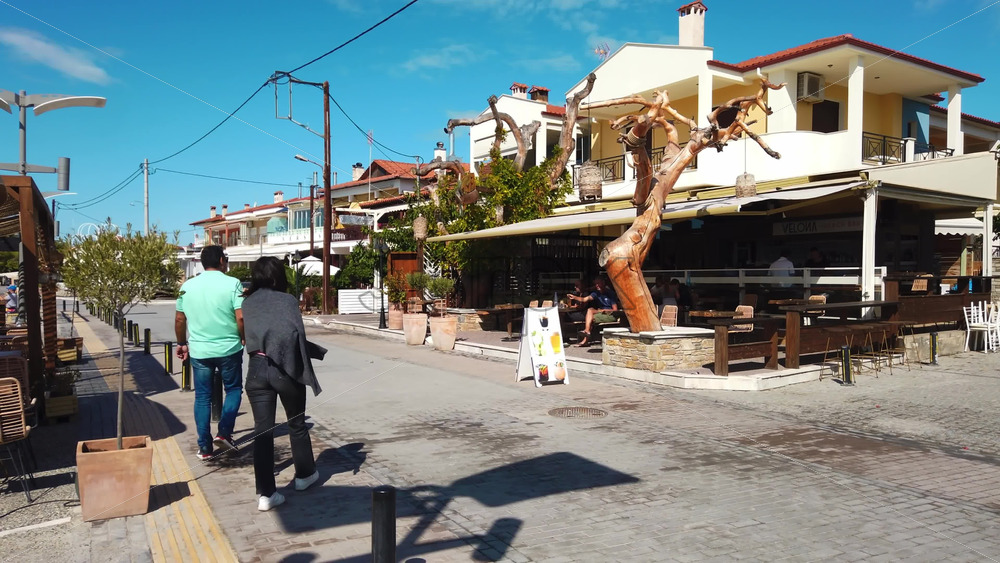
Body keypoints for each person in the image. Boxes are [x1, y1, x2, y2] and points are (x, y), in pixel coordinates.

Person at [241, 256, 327, 511]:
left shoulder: (247, 302)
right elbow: (295, 335)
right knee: (296, 423)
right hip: (285, 369)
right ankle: (304, 476)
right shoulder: (287, 300)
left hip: (256, 369)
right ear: (278, 276)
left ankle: (266, 494)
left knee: (262, 432)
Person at [175, 246, 245, 461]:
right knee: (233, 389)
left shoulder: (187, 286)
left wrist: (181, 343)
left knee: (202, 397)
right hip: (229, 348)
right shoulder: (233, 283)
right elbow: (240, 317)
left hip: (200, 351)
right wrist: (244, 337)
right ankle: (224, 433)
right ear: (222, 261)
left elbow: (179, 319)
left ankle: (205, 447)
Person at [567, 276, 619, 346]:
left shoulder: (610, 293)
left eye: (598, 283)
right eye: (595, 284)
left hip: (610, 314)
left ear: (603, 283)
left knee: (590, 318)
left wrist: (604, 310)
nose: (597, 285)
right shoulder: (596, 293)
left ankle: (585, 338)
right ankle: (587, 332)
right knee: (590, 310)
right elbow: (585, 299)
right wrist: (574, 297)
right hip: (601, 312)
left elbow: (615, 310)